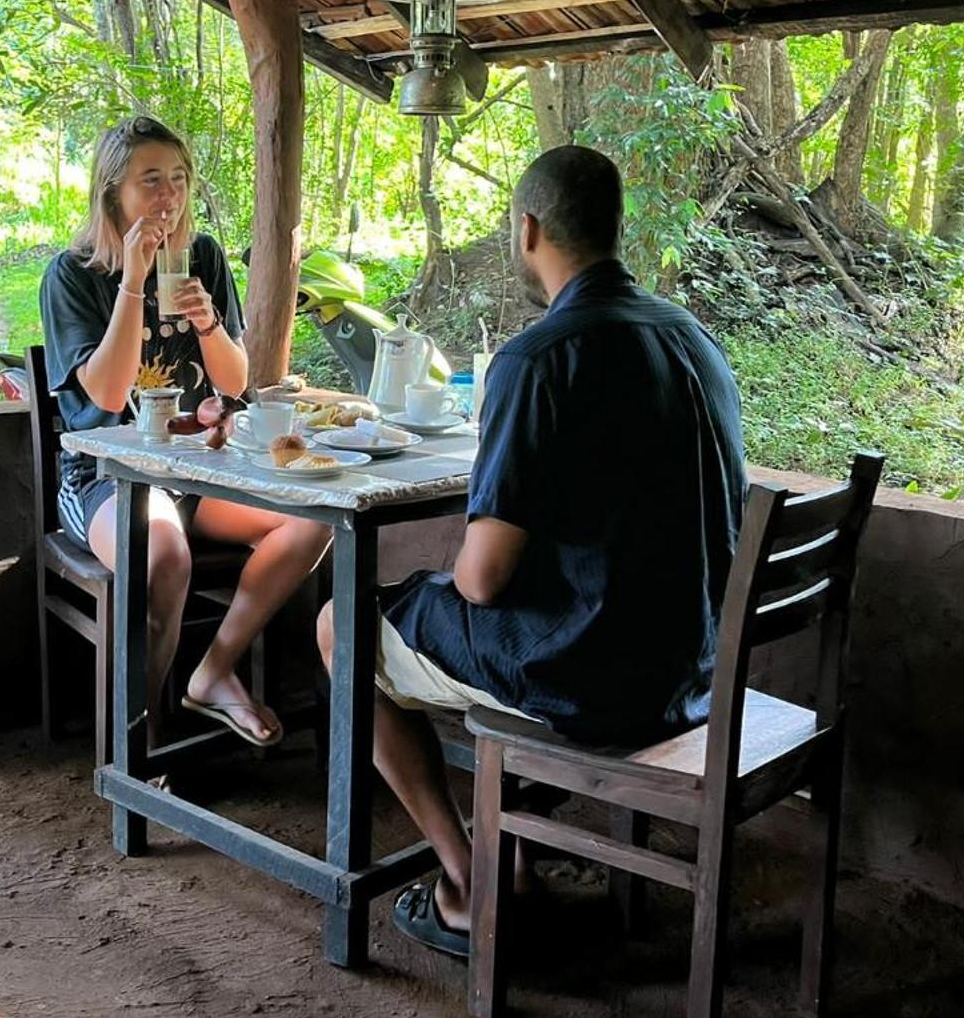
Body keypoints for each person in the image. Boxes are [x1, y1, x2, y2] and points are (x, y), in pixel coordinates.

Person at [316, 145, 748, 957]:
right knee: (438, 608)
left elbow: (481, 583)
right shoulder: (692, 337)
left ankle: (469, 878)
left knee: (345, 623)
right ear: (617, 229)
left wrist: (447, 577)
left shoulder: (539, 357)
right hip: (694, 665)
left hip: (594, 678)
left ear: (528, 229)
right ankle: (503, 838)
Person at [40, 115, 330, 747]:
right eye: (150, 181)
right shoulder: (73, 274)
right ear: (113, 191)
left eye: (177, 179)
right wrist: (135, 281)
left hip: (200, 466)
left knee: (313, 517)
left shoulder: (202, 257)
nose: (167, 196)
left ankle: (215, 669)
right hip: (106, 478)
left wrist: (208, 326)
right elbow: (110, 395)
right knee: (163, 554)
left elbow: (233, 383)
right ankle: (140, 742)